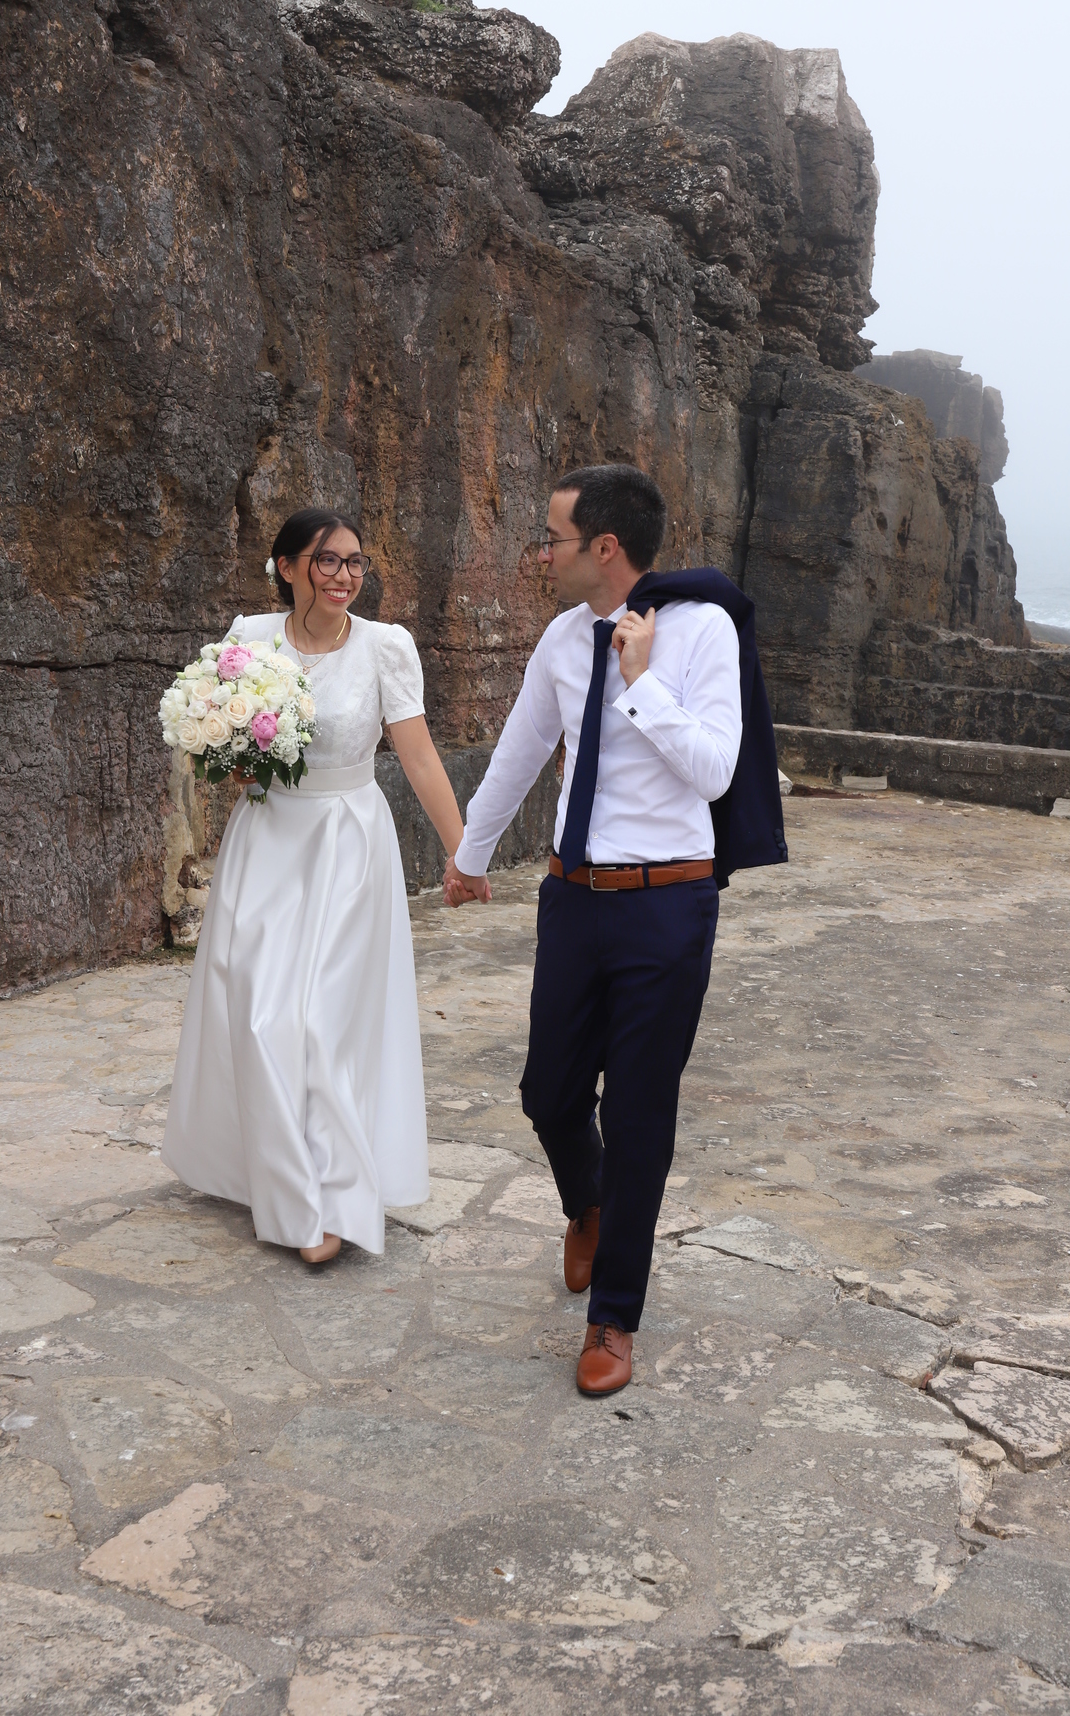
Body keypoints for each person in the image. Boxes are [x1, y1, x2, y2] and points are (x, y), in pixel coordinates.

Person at [443, 463, 745, 1394]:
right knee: (549, 1092)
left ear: (605, 547)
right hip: (573, 897)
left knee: (640, 1114)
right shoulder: (561, 637)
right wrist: (469, 856)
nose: (542, 553)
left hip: (667, 902)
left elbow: (717, 771)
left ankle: (613, 1317)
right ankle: (589, 1205)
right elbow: (521, 751)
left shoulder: (704, 629)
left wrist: (641, 684)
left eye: (553, 538)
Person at [163, 508, 467, 1265]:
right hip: (268, 840)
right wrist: (233, 758)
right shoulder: (250, 639)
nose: (344, 575)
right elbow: (214, 751)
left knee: (323, 1021)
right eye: (327, 560)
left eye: (355, 562)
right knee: (259, 1015)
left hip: (347, 846)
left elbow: (419, 757)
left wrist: (465, 852)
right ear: (287, 567)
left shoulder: (385, 647)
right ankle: (280, 1178)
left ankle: (330, 1200)